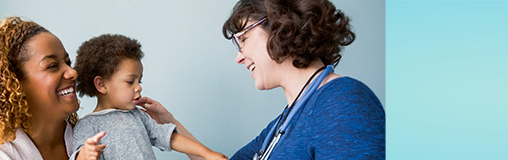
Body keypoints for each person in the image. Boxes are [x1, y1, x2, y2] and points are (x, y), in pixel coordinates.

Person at [139, 0, 385, 159]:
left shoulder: (344, 102)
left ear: (281, 27)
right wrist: (168, 122)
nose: (239, 57)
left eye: (243, 39)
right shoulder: (283, 124)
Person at [0, 16, 105, 160]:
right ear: (15, 83)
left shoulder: (91, 138)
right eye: (52, 66)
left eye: (68, 63)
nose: (72, 73)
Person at [69, 34, 228, 160]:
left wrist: (207, 153)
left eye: (140, 80)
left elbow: (170, 138)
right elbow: (79, 155)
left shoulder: (138, 116)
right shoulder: (88, 125)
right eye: (130, 81)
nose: (139, 87)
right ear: (102, 85)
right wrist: (84, 155)